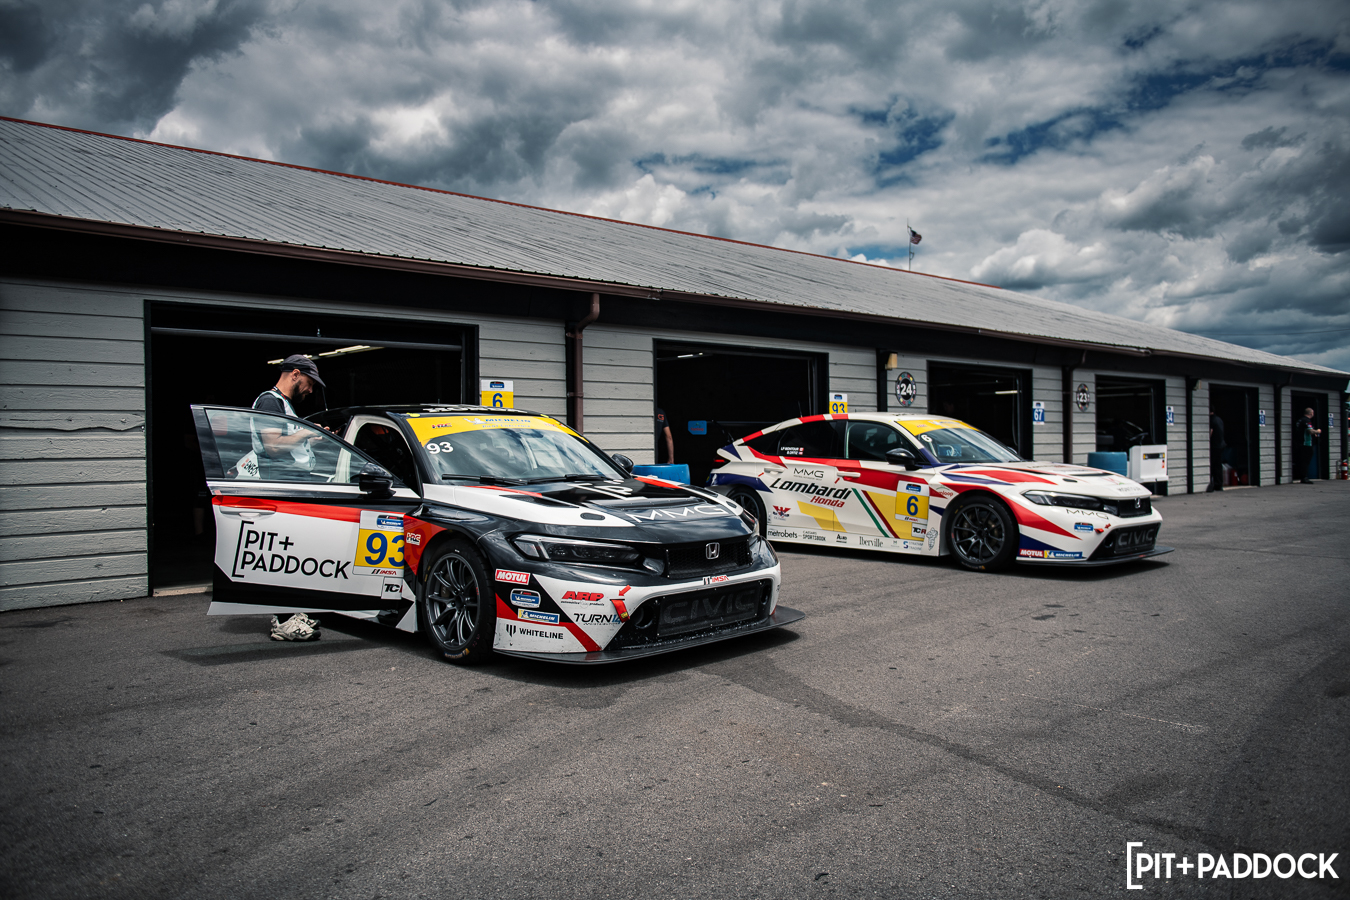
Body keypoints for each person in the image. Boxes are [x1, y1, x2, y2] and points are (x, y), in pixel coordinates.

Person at [252, 354, 327, 641]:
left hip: (290, 488)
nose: (310, 389)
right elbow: (272, 445)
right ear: (295, 374)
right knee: (282, 557)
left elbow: (287, 443)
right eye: (309, 382)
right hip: (279, 489)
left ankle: (292, 613)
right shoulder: (269, 401)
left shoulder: (283, 405)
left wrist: (312, 438)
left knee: (292, 553)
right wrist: (307, 433)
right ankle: (282, 622)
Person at [1294, 407, 1322, 484]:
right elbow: (1310, 431)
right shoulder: (1307, 421)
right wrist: (1317, 431)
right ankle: (1304, 477)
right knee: (1306, 461)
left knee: (1301, 461)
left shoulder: (1300, 420)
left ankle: (1301, 476)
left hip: (1299, 443)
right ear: (1311, 413)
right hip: (1307, 444)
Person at [1206, 408, 1226, 492]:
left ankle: (1211, 484)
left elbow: (1210, 432)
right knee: (1218, 466)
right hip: (1220, 445)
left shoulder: (1211, 420)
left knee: (1212, 465)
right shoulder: (1219, 420)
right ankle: (1219, 484)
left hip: (1214, 446)